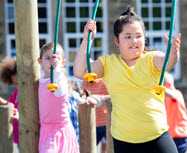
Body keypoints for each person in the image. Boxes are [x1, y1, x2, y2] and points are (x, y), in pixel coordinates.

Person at [74, 6, 181, 153]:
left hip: (157, 136)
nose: (134, 41)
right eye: (128, 36)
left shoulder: (152, 58)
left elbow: (168, 62)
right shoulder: (108, 63)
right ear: (117, 41)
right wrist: (86, 40)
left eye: (139, 36)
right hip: (124, 141)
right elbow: (80, 72)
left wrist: (174, 52)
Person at [38, 42, 80, 153]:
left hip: (61, 128)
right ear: (40, 61)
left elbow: (59, 92)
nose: (52, 61)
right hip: (46, 129)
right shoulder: (40, 80)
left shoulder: (61, 79)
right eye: (48, 58)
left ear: (63, 62)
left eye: (56, 58)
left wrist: (56, 70)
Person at [164, 72, 187, 153]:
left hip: (181, 136)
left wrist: (158, 88)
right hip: (172, 136)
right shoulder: (163, 97)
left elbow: (172, 95)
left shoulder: (176, 93)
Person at [83, 78, 109, 153]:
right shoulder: (104, 80)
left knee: (90, 148)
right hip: (100, 122)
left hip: (98, 122)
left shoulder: (86, 82)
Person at [0, 58, 19, 145]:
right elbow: (11, 106)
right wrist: (3, 102)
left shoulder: (35, 92)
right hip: (18, 136)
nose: (18, 86)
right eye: (15, 84)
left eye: (20, 83)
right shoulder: (15, 94)